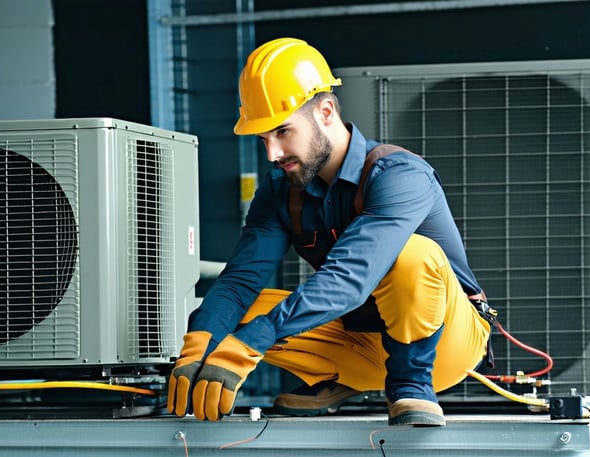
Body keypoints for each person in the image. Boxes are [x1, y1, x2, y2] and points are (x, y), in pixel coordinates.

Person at [166, 37, 492, 427]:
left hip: (445, 345)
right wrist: (199, 343)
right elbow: (239, 280)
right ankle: (343, 379)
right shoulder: (280, 190)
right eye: (263, 139)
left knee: (412, 255)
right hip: (358, 342)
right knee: (224, 313)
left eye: (282, 132)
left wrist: (251, 343)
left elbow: (349, 277)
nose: (272, 153)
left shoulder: (400, 176)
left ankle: (410, 388)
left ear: (325, 111)